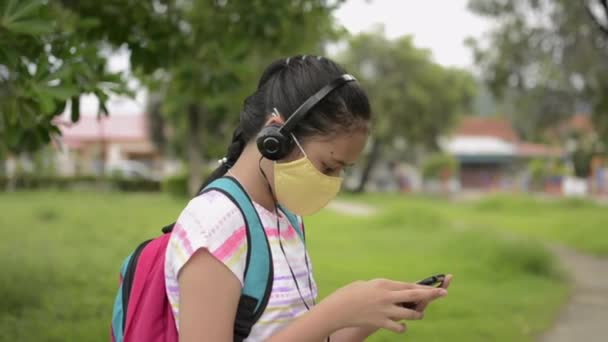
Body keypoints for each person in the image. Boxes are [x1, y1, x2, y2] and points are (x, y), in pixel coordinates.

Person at [164, 55, 452, 342]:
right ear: (275, 135)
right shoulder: (215, 223)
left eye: (341, 170)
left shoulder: (286, 216)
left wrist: (367, 313)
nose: (333, 181)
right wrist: (333, 312)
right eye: (328, 166)